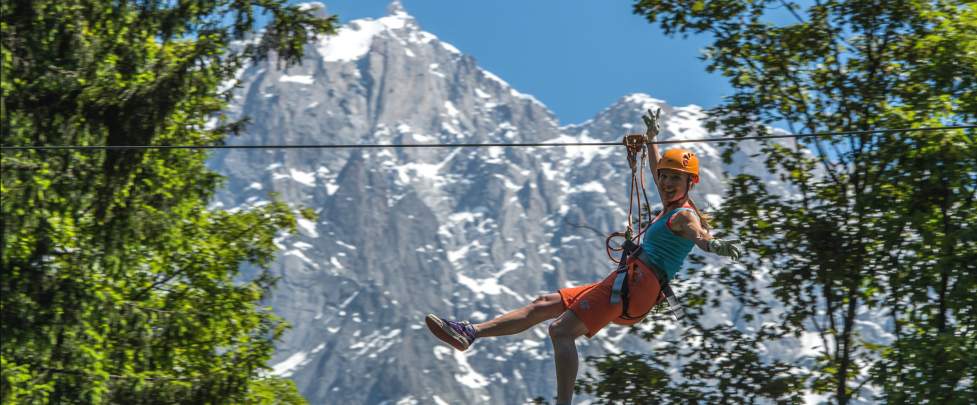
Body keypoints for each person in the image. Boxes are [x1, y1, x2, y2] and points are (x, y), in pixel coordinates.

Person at [425, 109, 742, 405]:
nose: (668, 182)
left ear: (690, 183)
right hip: (629, 282)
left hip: (638, 285)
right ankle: (471, 333)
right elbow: (658, 170)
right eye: (666, 177)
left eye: (676, 178)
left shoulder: (683, 216)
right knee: (543, 304)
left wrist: (714, 245)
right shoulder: (670, 205)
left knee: (560, 331)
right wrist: (652, 138)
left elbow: (699, 235)